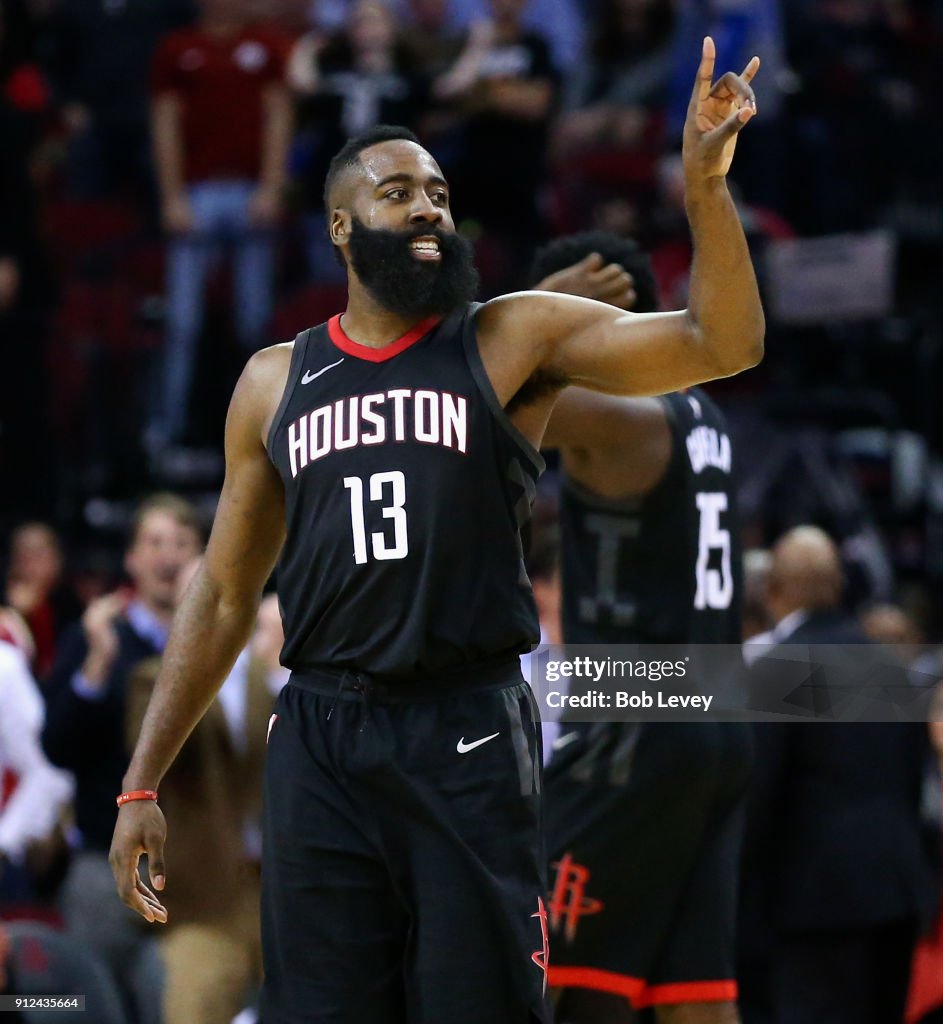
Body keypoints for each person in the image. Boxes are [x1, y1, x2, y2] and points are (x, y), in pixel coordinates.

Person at [110, 37, 764, 1024]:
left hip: (464, 724)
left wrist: (705, 188)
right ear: (340, 226)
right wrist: (139, 782)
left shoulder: (509, 338)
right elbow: (224, 588)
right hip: (322, 734)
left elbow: (723, 343)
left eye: (440, 192)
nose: (427, 206)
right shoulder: (271, 382)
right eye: (399, 191)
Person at [530, 230, 749, 1024]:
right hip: (717, 716)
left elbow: (463, 396)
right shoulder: (704, 412)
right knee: (695, 997)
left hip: (636, 722)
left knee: (559, 987)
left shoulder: (616, 412)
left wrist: (529, 312)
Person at [738, 526, 937, 1024]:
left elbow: (761, 795)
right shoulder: (890, 666)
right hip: (896, 891)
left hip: (815, 904)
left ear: (773, 590)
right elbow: (913, 781)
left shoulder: (780, 669)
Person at [42, 494, 203, 1024]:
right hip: (101, 863)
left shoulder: (221, 647)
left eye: (182, 544)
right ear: (132, 559)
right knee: (88, 1008)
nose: (168, 556)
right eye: (154, 543)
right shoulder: (98, 636)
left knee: (176, 1007)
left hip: (191, 871)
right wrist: (97, 664)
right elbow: (57, 749)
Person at [148, 0, 293, 449]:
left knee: (256, 323)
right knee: (182, 323)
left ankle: (261, 430)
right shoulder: (178, 48)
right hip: (196, 194)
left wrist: (272, 187)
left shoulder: (266, 46)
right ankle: (165, 435)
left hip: (251, 192)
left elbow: (279, 114)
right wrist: (171, 196)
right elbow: (165, 121)